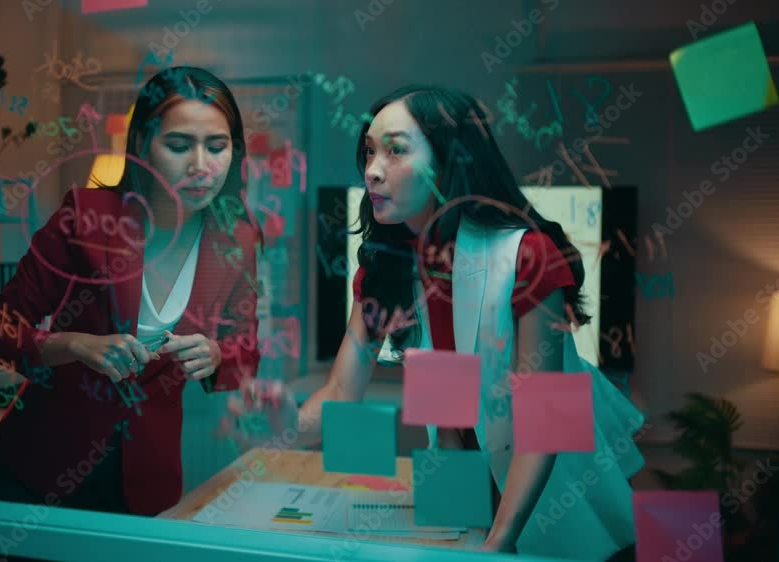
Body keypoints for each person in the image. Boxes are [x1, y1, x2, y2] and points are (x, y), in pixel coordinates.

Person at [226, 85, 644, 560]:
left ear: (448, 160)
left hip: (553, 478)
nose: (371, 170)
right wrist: (283, 423)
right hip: (458, 473)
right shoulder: (385, 266)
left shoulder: (527, 254)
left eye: (395, 150)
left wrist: (499, 541)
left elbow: (543, 416)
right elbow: (342, 392)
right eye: (368, 152)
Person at [0, 66, 261, 517]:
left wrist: (215, 355)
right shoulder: (88, 216)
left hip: (148, 475)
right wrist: (73, 344)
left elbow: (245, 351)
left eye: (217, 146)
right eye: (178, 145)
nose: (201, 166)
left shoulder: (238, 242)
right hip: (44, 464)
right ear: (141, 147)